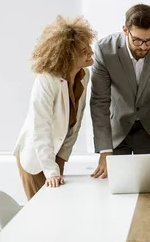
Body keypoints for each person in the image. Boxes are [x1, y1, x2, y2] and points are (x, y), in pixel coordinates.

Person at [90, 4, 150, 179]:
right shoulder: (104, 50)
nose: (144, 46)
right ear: (125, 30)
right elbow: (99, 101)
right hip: (117, 131)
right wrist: (104, 150)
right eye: (137, 40)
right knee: (117, 188)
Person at [13, 16, 96, 200]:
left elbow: (75, 123)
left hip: (57, 154)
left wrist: (61, 160)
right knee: (41, 213)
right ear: (68, 55)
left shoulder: (84, 75)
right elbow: (40, 128)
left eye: (88, 46)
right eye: (84, 50)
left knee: (57, 206)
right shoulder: (46, 80)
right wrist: (51, 171)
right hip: (36, 158)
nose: (91, 51)